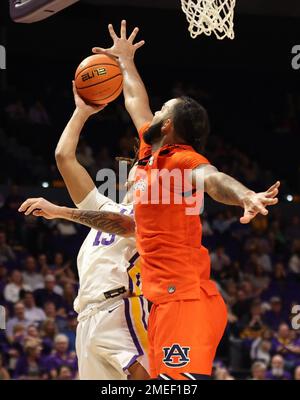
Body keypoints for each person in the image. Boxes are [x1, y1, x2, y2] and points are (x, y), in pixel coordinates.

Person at [89, 20, 280, 380]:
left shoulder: (181, 158)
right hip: (162, 304)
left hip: (187, 300)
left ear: (169, 127)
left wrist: (244, 196)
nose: (154, 112)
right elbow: (134, 99)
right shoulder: (149, 151)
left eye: (162, 110)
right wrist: (125, 60)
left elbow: (212, 179)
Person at [19, 82, 149, 380]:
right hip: (87, 317)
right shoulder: (106, 205)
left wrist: (60, 211)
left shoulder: (152, 216)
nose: (138, 169)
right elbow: (64, 158)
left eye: (145, 166)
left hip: (121, 308)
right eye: (138, 166)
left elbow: (125, 226)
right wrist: (81, 112)